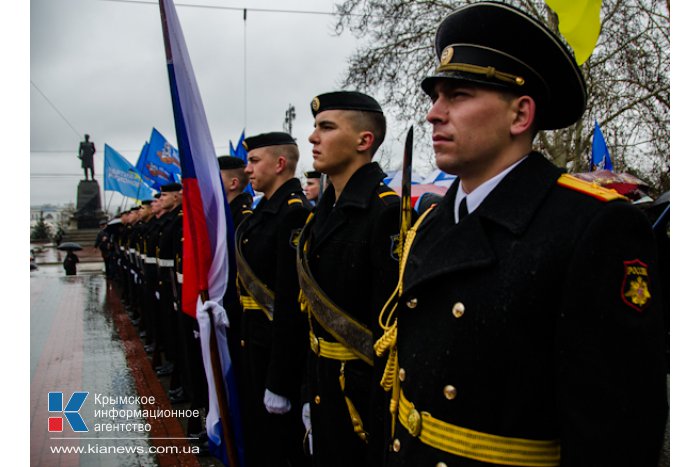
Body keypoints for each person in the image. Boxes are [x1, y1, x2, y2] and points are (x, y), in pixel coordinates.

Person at [380, 3, 668, 466]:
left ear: (520, 115)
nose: (434, 113)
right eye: (434, 97)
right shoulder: (432, 222)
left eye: (458, 95)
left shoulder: (593, 226)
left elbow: (614, 431)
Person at [299, 91, 400, 467]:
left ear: (364, 140)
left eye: (326, 127)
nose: (313, 137)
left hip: (360, 398)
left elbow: (390, 335)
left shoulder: (385, 213)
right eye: (315, 127)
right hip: (323, 383)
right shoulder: (321, 214)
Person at [234, 132, 312, 466]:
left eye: (254, 161)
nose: (248, 170)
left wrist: (280, 379)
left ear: (280, 164)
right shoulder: (265, 210)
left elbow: (291, 304)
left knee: (280, 445)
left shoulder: (292, 213)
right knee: (261, 437)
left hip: (276, 351)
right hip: (254, 339)